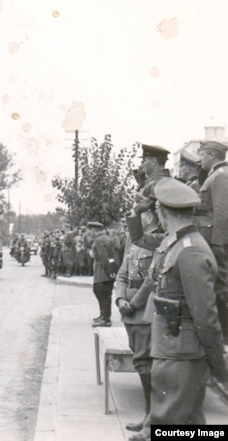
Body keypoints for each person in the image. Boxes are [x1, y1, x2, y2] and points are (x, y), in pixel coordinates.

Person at [131, 178, 228, 441]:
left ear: (162, 212)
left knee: (165, 427)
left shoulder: (189, 252)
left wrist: (219, 365)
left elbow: (206, 318)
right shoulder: (176, 245)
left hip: (181, 355)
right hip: (173, 351)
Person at [113, 200, 160, 433]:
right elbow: (122, 273)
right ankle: (149, 417)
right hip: (129, 312)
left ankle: (152, 420)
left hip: (143, 311)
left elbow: (152, 279)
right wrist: (121, 300)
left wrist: (133, 303)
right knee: (141, 364)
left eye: (137, 215)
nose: (132, 220)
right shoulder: (134, 241)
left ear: (149, 217)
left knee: (146, 365)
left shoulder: (155, 241)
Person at [193, 140, 228, 342]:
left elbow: (222, 213)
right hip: (212, 240)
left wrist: (218, 244)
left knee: (222, 287)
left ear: (212, 155)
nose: (200, 159)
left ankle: (224, 336)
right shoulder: (215, 176)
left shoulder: (220, 177)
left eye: (202, 154)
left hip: (217, 242)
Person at [89, 221, 116, 327]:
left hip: (102, 273)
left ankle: (105, 319)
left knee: (102, 293)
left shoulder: (99, 240)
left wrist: (109, 272)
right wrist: (112, 271)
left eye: (90, 230)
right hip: (106, 272)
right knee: (103, 294)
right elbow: (111, 257)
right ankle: (103, 315)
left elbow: (104, 258)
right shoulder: (106, 238)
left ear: (95, 231)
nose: (89, 232)